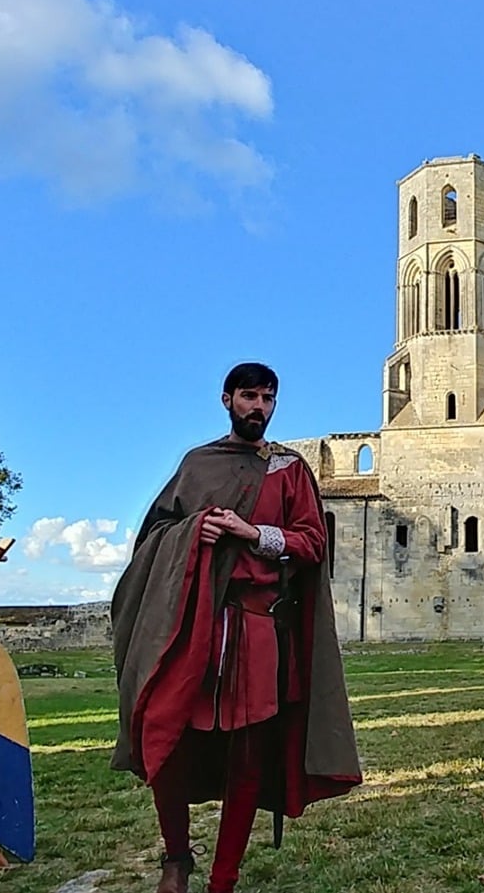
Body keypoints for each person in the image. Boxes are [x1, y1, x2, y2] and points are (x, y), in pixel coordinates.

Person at [110, 363, 362, 893]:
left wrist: (254, 533)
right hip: (193, 624)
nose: (259, 408)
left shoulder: (288, 470)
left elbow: (312, 542)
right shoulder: (198, 464)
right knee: (166, 732)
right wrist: (194, 529)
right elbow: (153, 535)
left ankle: (223, 878)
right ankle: (176, 858)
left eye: (268, 399)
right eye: (249, 396)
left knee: (248, 754)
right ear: (227, 400)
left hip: (258, 626)